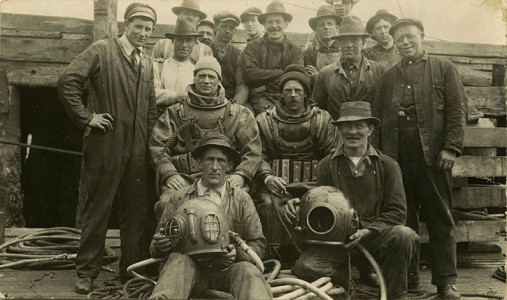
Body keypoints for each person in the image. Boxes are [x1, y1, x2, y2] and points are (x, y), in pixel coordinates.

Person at [57, 3, 158, 294]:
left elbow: (151, 108)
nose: (142, 33)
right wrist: (87, 117)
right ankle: (86, 272)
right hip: (107, 143)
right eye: (138, 26)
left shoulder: (147, 62)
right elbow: (68, 82)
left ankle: (130, 272)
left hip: (138, 147)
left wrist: (150, 143)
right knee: (98, 209)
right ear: (126, 25)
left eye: (148, 28)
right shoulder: (102, 50)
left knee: (136, 212)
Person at [282, 102, 419, 300]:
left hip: (374, 240)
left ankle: (396, 295)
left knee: (404, 235)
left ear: (370, 129)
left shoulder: (388, 166)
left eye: (359, 126)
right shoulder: (326, 165)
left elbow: (397, 212)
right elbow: (320, 207)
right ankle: (350, 281)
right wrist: (299, 207)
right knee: (304, 267)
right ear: (339, 130)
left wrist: (367, 231)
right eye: (346, 126)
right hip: (337, 244)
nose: (352, 132)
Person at [373, 18, 466, 300]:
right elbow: (378, 120)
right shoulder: (389, 76)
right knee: (404, 220)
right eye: (399, 38)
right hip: (398, 159)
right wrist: (381, 161)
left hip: (434, 158)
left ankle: (445, 283)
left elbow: (457, 111)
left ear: (422, 36)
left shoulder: (444, 68)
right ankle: (409, 281)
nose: (404, 42)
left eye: (410, 36)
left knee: (440, 217)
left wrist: (451, 148)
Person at [149, 132, 271, 299]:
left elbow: (258, 244)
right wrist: (161, 245)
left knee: (248, 271)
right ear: (200, 163)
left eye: (221, 160)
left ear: (229, 166)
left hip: (227, 272)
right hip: (191, 272)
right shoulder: (179, 197)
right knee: (178, 260)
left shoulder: (242, 199)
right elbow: (155, 247)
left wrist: (237, 254)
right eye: (209, 160)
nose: (215, 167)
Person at [149, 56, 261, 213]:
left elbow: (253, 149)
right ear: (194, 78)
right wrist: (169, 174)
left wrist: (241, 175)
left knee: (238, 206)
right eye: (201, 76)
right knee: (167, 204)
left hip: (225, 178)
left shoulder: (237, 113)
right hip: (184, 179)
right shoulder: (175, 112)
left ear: (219, 81)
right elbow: (158, 146)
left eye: (211, 76)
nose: (206, 81)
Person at [255, 64, 339, 258]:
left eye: (298, 91)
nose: (293, 95)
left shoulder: (323, 120)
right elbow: (258, 155)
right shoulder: (264, 121)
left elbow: (332, 156)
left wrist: (316, 190)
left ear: (306, 95)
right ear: (281, 95)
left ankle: (316, 257)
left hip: (315, 186)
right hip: (277, 188)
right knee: (268, 206)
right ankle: (272, 257)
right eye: (288, 91)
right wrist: (267, 177)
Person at [312, 16, 385, 120]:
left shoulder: (380, 71)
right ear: (339, 43)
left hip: (368, 134)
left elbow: (384, 110)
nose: (349, 45)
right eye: (344, 41)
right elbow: (318, 112)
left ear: (363, 42)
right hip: (336, 134)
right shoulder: (325, 74)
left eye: (354, 40)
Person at [241, 1, 304, 115]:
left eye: (278, 21)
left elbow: (296, 76)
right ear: (264, 25)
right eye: (270, 22)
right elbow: (250, 74)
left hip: (289, 96)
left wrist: (264, 85)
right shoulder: (252, 47)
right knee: (268, 120)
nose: (274, 26)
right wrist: (279, 72)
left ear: (286, 24)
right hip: (261, 97)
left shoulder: (295, 50)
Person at [153, 20, 202, 115]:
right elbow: (152, 95)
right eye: (180, 40)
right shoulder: (158, 66)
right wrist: (179, 95)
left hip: (186, 122)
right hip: (159, 121)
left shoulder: (197, 72)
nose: (184, 45)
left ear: (195, 43)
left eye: (189, 40)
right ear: (173, 41)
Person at [233, 7, 264, 106]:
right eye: (246, 21)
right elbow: (242, 82)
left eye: (253, 20)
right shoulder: (244, 49)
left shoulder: (271, 44)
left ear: (262, 23)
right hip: (248, 97)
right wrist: (236, 105)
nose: (249, 24)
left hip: (268, 98)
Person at [303, 5, 342, 78]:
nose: (326, 27)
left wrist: (318, 76)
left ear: (336, 27)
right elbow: (309, 79)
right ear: (316, 29)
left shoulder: (344, 50)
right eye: (322, 24)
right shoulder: (309, 53)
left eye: (329, 24)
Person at [211, 11, 242, 100]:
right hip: (208, 99)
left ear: (235, 31)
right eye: (224, 26)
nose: (227, 31)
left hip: (231, 100)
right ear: (215, 27)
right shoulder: (205, 50)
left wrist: (235, 105)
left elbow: (241, 85)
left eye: (231, 28)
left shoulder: (239, 54)